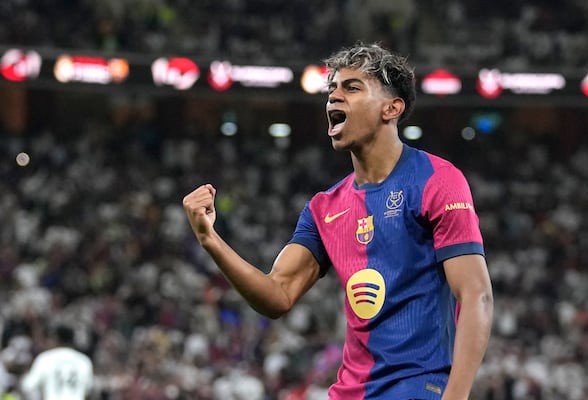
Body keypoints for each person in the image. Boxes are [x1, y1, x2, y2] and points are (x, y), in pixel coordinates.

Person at [183, 42, 494, 399]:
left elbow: (476, 295)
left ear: (391, 108)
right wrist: (211, 240)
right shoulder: (324, 208)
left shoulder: (437, 180)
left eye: (351, 87)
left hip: (417, 388)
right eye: (331, 89)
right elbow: (277, 295)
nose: (334, 97)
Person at [20, 324, 94, 400]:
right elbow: (88, 390)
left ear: (57, 339)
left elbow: (28, 386)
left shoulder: (45, 358)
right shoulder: (84, 360)